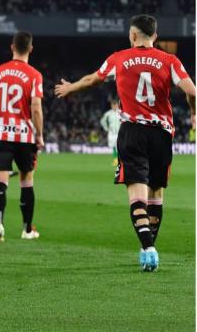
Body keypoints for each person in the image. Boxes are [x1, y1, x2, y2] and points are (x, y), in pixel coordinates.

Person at [54, 14, 196, 271]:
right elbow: (192, 92)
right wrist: (194, 112)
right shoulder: (170, 60)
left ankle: (148, 247)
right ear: (155, 35)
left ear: (132, 35)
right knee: (156, 195)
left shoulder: (119, 58)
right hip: (161, 134)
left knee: (136, 196)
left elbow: (92, 79)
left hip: (131, 132)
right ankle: (149, 245)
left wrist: (71, 88)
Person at [0, 32, 44, 242]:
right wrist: (40, 135)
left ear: (12, 47)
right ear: (30, 49)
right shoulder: (35, 75)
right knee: (26, 180)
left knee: (0, 181)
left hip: (1, 134)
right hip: (25, 136)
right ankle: (27, 229)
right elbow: (36, 107)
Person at [100, 99, 121, 166]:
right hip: (112, 133)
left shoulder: (121, 112)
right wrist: (107, 128)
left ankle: (120, 160)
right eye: (113, 105)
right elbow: (102, 121)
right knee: (113, 147)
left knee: (120, 147)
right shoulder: (108, 113)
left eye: (115, 104)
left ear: (118, 105)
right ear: (111, 105)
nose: (114, 106)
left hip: (120, 132)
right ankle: (116, 161)